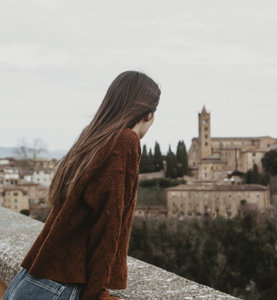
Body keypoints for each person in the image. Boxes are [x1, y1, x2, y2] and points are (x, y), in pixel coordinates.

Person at [3, 71, 161, 300]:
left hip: (28, 282)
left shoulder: (93, 137)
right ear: (148, 114)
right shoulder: (126, 142)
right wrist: (96, 293)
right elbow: (109, 223)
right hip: (59, 288)